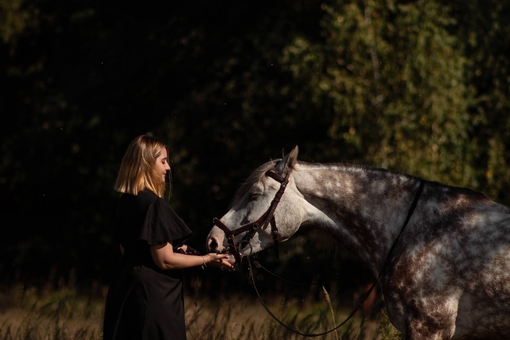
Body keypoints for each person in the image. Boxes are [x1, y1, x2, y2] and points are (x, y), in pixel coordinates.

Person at [103, 134, 233, 340]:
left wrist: (174, 249)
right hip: (153, 296)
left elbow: (127, 249)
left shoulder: (126, 201)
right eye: (163, 161)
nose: (168, 167)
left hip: (125, 290)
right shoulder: (155, 204)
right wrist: (207, 259)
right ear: (146, 163)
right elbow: (164, 261)